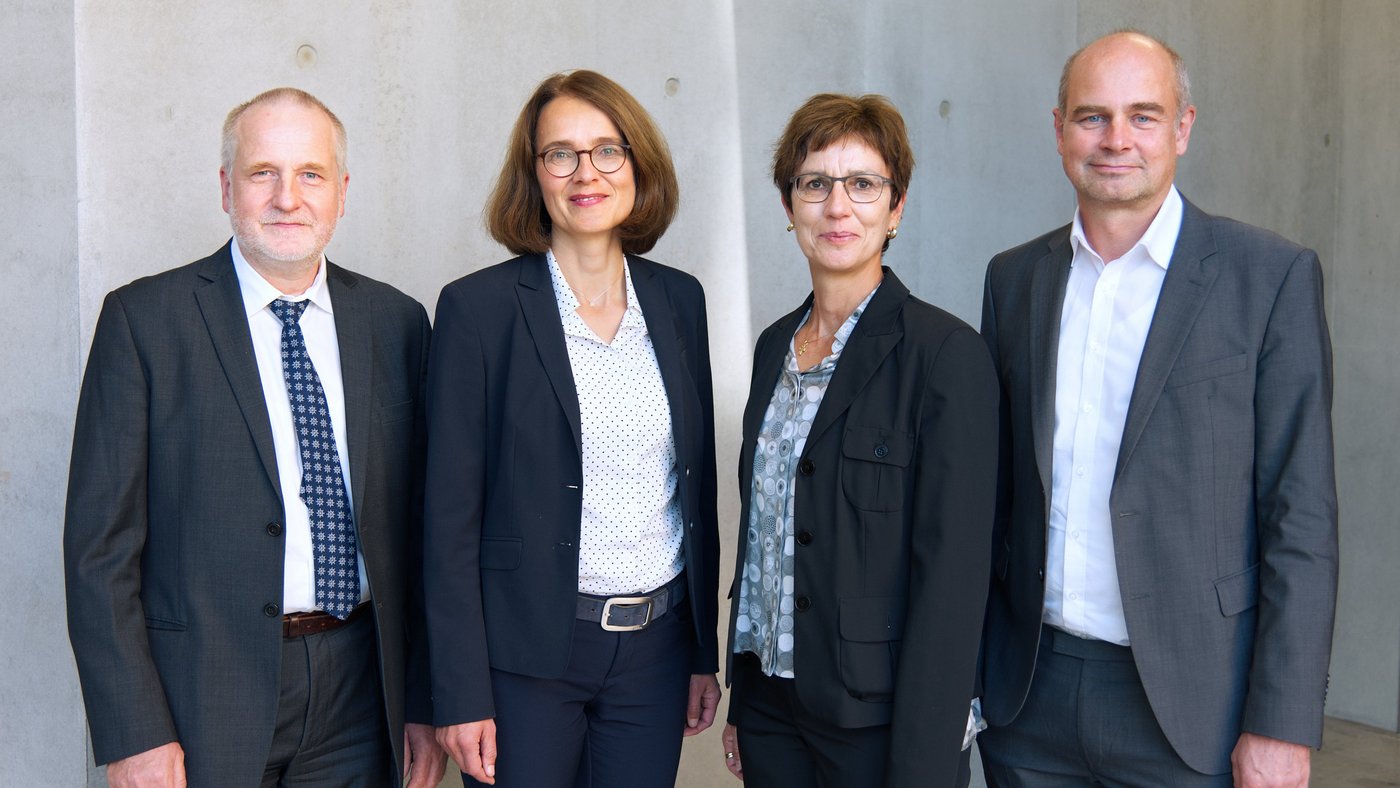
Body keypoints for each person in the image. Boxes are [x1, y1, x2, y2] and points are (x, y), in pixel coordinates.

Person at [977, 30, 1338, 787]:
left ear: (1183, 128)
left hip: (1191, 705)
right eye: (1091, 117)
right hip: (1027, 698)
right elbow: (998, 488)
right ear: (1058, 130)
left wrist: (1280, 721)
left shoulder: (1268, 277)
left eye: (1143, 116)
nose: (1116, 140)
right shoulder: (1014, 280)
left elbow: (1299, 517)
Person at [63, 88, 446, 787]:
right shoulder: (145, 323)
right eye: (263, 172)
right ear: (226, 187)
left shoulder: (397, 324)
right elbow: (98, 554)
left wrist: (424, 699)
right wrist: (135, 732)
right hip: (200, 695)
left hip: (363, 690)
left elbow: (425, 533)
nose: (287, 197)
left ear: (341, 192)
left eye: (310, 174)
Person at [422, 69, 721, 787]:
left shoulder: (679, 301)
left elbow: (695, 486)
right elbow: (448, 519)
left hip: (655, 652)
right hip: (524, 660)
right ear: (535, 175)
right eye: (561, 153)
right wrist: (458, 691)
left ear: (637, 165)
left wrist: (702, 651)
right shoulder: (478, 311)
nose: (585, 172)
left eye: (606, 150)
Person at [719, 93, 999, 788]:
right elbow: (763, 535)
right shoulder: (770, 350)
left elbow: (954, 579)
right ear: (789, 207)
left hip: (877, 719)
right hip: (770, 703)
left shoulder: (945, 355)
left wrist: (930, 753)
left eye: (863, 185)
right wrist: (740, 693)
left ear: (896, 208)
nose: (837, 207)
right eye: (815, 184)